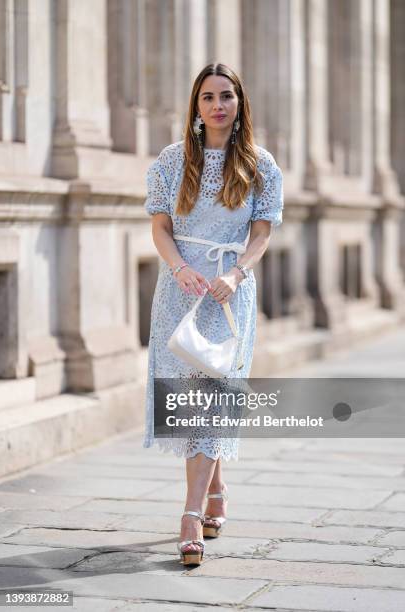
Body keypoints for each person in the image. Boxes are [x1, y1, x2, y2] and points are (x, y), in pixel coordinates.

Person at [142, 62, 284, 565]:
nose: (217, 105)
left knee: (210, 396)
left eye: (226, 96)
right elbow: (160, 228)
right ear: (196, 106)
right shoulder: (171, 161)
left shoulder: (261, 165)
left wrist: (237, 274)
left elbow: (262, 234)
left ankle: (189, 514)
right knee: (192, 398)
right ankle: (217, 486)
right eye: (207, 97)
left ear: (240, 103)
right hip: (180, 289)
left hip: (228, 294)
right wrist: (179, 268)